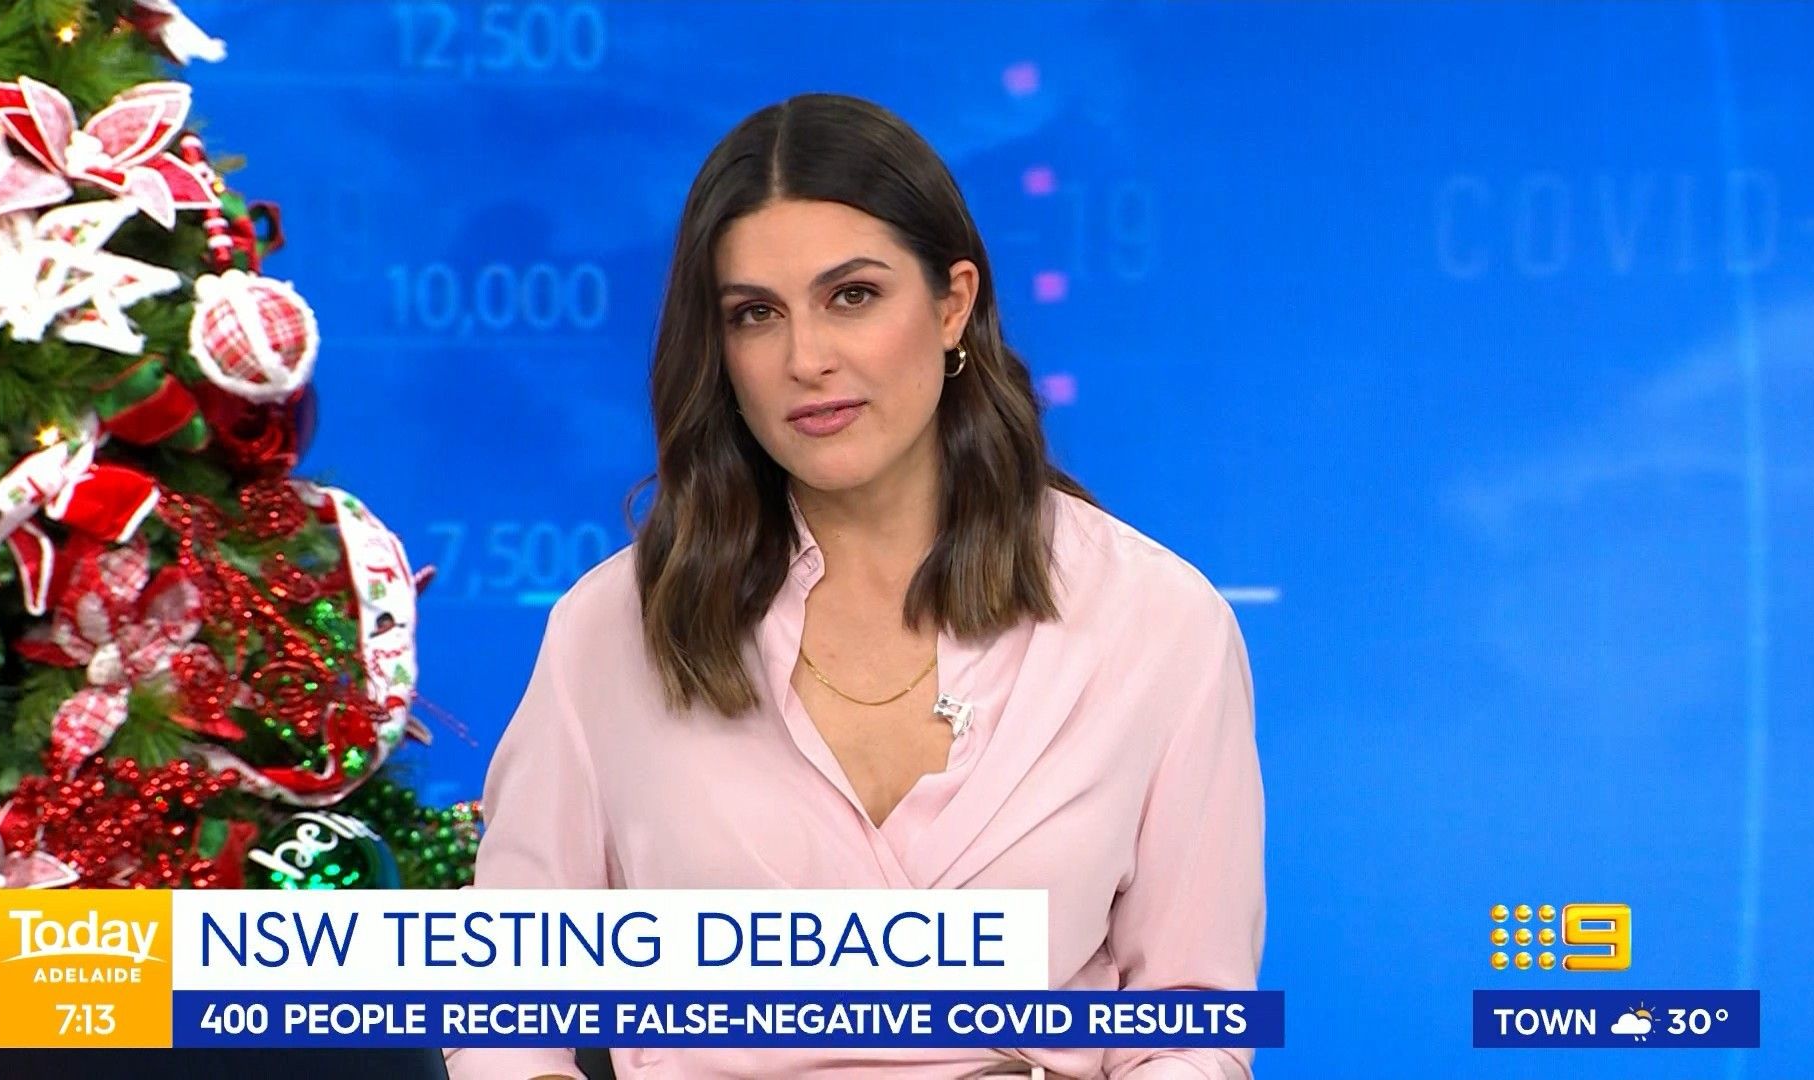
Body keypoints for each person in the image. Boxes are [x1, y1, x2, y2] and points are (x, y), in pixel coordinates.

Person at [444, 92, 1264, 1080]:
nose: (806, 360)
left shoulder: (1156, 624)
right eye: (756, 315)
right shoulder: (612, 631)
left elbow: (1190, 1021)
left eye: (852, 297)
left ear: (953, 305)